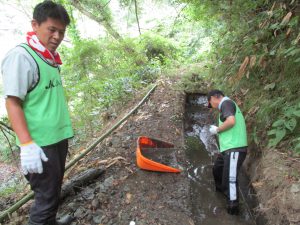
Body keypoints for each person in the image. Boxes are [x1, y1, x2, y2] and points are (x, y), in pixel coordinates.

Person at [1, 1, 74, 224]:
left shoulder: (48, 57)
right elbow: (12, 102)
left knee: (53, 191)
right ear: (35, 25)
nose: (57, 36)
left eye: (61, 32)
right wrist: (26, 144)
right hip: (39, 145)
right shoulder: (22, 57)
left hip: (56, 139)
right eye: (51, 29)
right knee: (45, 198)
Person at [207, 89, 247, 215]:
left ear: (214, 98)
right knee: (217, 170)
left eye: (210, 103)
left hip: (235, 148)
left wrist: (218, 130)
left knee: (230, 179)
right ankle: (222, 194)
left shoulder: (226, 103)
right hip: (227, 149)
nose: (211, 106)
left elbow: (231, 121)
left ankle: (233, 209)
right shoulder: (225, 106)